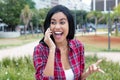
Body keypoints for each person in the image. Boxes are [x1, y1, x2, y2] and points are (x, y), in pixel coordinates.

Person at [33, 5, 104, 80]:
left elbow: (79, 78)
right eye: (53, 22)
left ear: (69, 25)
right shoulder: (40, 50)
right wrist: (52, 49)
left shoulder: (78, 46)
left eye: (62, 22)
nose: (57, 27)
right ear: (48, 26)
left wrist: (88, 72)